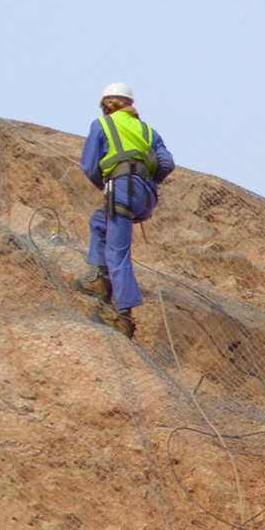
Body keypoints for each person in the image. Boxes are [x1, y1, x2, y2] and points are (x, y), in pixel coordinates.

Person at [73, 83, 175, 338]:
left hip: (122, 188)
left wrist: (107, 183)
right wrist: (145, 180)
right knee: (99, 221)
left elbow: (89, 165)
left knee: (118, 252)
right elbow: (166, 163)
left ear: (106, 104)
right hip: (145, 194)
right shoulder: (147, 130)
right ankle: (100, 280)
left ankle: (124, 319)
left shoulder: (102, 124)